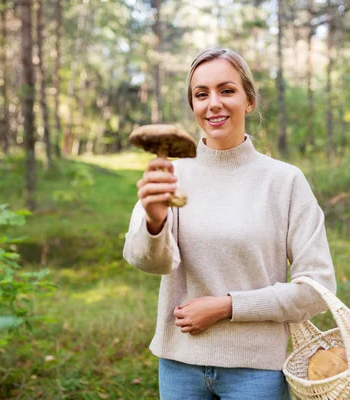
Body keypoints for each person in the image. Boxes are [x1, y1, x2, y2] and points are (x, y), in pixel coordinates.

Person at [123, 47, 336, 400]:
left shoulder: (285, 182)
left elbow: (318, 290)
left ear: (249, 101)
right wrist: (155, 219)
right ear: (193, 106)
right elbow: (146, 262)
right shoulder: (169, 174)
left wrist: (227, 306)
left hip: (256, 373)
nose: (213, 104)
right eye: (201, 94)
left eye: (227, 90)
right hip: (179, 367)